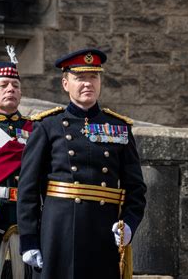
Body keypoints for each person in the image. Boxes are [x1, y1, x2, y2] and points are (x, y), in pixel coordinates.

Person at [17, 48, 147, 279]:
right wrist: (29, 239)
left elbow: (135, 188)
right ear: (65, 83)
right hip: (59, 231)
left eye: (93, 77)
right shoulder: (48, 125)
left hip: (103, 232)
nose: (88, 83)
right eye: (80, 78)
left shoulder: (118, 127)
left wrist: (128, 224)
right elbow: (28, 188)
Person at [0, 58, 32, 279]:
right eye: (3, 85)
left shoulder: (34, 129)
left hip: (27, 215)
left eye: (15, 86)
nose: (10, 89)